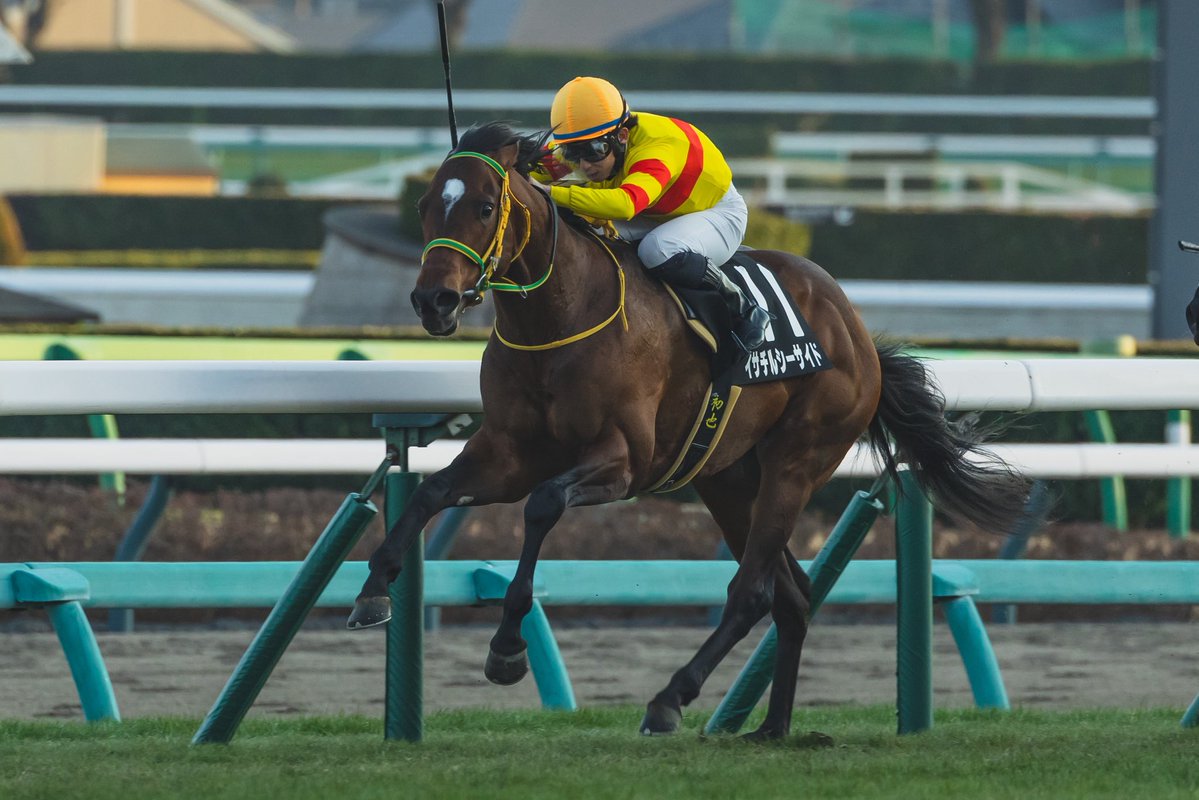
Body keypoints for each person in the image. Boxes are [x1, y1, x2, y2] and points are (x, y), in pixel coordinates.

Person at [534, 76, 770, 352]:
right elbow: (532, 169)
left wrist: (551, 193)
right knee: (583, 232)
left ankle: (743, 307)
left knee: (657, 249)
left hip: (716, 212)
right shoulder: (594, 140)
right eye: (574, 153)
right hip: (655, 211)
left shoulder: (657, 148)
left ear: (622, 136)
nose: (585, 165)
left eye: (595, 151)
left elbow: (627, 204)